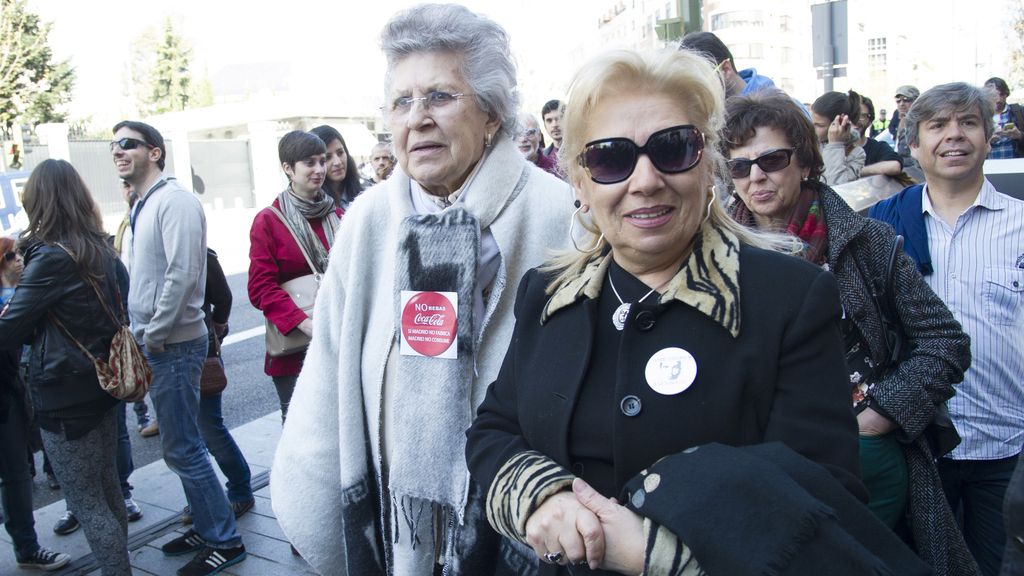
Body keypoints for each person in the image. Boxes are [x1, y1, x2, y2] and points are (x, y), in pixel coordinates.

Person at [466, 48, 930, 576]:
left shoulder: (790, 297)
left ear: (708, 165)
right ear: (579, 180)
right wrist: (542, 498)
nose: (644, 180)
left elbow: (823, 502)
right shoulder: (548, 292)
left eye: (674, 148)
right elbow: (494, 429)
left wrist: (654, 554)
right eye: (611, 158)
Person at [270, 4, 572, 574]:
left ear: (491, 115)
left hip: (518, 516)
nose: (418, 118)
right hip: (393, 515)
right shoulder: (368, 220)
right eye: (402, 102)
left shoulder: (557, 216)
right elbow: (332, 363)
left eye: (440, 96)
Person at [724, 91, 978, 575]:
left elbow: (945, 341)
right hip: (760, 461)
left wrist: (881, 412)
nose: (756, 176)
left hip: (861, 458)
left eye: (772, 160)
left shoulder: (865, 242)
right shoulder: (713, 254)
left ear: (804, 162)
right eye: (739, 167)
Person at [870, 82, 1024, 576]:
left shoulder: (1020, 226)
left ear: (989, 134)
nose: (953, 136)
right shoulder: (879, 229)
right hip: (915, 442)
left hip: (1005, 448)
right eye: (937, 125)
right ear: (913, 144)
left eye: (968, 123)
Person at [112, 120, 246, 576]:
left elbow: (184, 275)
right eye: (113, 145)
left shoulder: (176, 202)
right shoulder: (144, 204)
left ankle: (224, 540)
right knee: (180, 445)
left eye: (127, 144)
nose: (117, 151)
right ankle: (208, 525)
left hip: (173, 344)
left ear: (155, 152)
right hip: (161, 342)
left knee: (184, 447)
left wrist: (154, 333)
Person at [0, 160, 131, 575]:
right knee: (108, 490)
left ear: (38, 201)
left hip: (64, 393)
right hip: (104, 382)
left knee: (88, 500)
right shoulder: (99, 248)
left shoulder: (52, 258)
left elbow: (10, 328)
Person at [248, 131, 340, 424]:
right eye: (309, 163)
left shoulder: (337, 213)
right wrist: (306, 324)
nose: (319, 169)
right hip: (295, 349)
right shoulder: (269, 220)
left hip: (340, 338)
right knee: (302, 434)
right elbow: (260, 286)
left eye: (322, 161)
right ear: (288, 168)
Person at [0, 236, 73, 572]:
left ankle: (27, 547)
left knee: (16, 472)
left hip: (8, 393)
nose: (17, 260)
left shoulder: (18, 295)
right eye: (9, 256)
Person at [180, 247, 255, 527]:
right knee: (184, 436)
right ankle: (200, 499)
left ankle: (240, 489)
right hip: (168, 354)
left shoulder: (200, 252)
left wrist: (218, 328)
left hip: (200, 351)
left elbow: (223, 298)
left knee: (209, 428)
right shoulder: (149, 249)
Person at [811, 90, 867, 185]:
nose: (812, 129)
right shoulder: (809, 144)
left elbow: (834, 187)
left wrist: (835, 146)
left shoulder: (856, 153)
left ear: (840, 123)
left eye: (819, 125)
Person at [310, 125, 365, 211]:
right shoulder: (312, 205)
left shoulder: (365, 193)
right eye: (327, 157)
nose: (338, 162)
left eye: (340, 153)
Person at [857, 96, 904, 178]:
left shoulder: (878, 147)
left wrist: (856, 172)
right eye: (852, 115)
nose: (856, 120)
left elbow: (894, 166)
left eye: (862, 116)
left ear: (870, 121)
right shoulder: (832, 148)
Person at [983, 77, 1024, 159]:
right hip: (988, 168)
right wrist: (987, 141)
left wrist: (1019, 136)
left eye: (1001, 94)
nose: (998, 99)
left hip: (1017, 167)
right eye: (994, 95)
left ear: (1007, 94)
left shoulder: (1019, 112)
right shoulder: (980, 116)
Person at [516, 112, 559, 177]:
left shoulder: (554, 169)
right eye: (518, 134)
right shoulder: (507, 168)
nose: (523, 139)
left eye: (530, 133)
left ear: (539, 135)